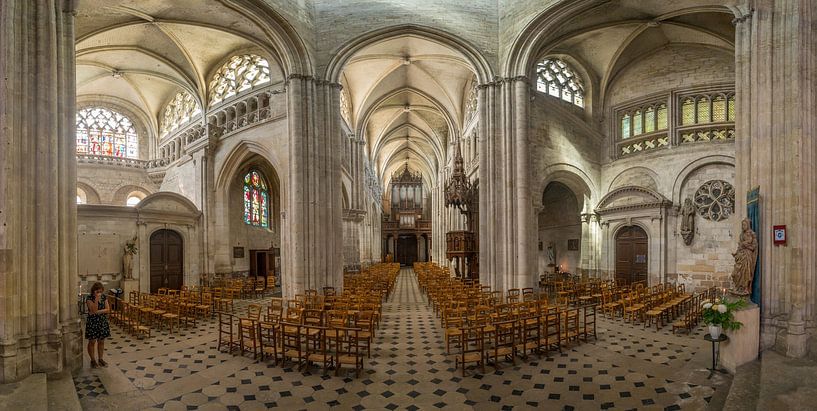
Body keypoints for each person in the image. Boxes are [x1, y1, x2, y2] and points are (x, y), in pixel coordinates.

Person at [85, 282, 111, 368]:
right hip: (93, 322)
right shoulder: (89, 298)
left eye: (101, 291)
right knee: (92, 341)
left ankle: (100, 359)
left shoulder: (104, 297)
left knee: (101, 341)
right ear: (94, 291)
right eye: (98, 291)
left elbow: (107, 309)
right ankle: (93, 360)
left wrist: (96, 312)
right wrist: (96, 299)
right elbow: (93, 309)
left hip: (102, 321)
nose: (100, 293)